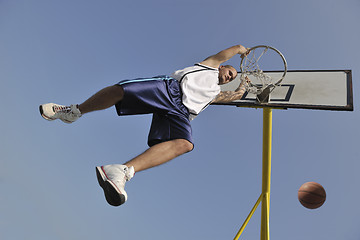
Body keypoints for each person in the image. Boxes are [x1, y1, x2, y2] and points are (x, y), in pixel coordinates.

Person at [39, 44, 250, 206]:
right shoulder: (210, 65)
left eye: (230, 78)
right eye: (229, 73)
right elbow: (229, 52)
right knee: (120, 92)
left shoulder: (214, 93)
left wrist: (243, 85)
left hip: (181, 112)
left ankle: (122, 171)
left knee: (185, 144)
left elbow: (234, 95)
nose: (228, 77)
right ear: (222, 67)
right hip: (171, 90)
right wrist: (242, 50)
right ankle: (74, 111)